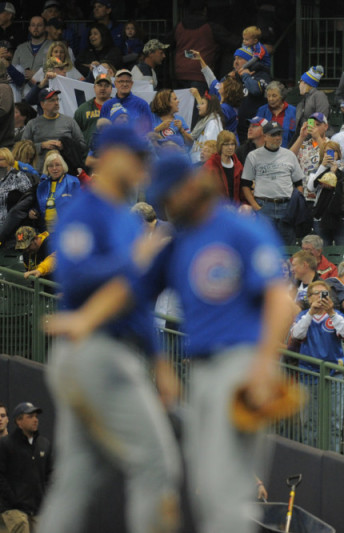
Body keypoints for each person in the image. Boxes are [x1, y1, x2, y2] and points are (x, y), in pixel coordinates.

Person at [44, 149, 295, 533]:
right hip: (204, 374)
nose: (169, 203)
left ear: (193, 184)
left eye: (171, 193)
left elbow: (281, 301)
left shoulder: (240, 228)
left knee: (226, 492)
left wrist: (264, 366)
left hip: (243, 366)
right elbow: (130, 290)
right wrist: (84, 318)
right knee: (209, 490)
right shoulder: (177, 241)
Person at [35, 126, 182, 533]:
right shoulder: (83, 210)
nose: (140, 166)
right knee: (156, 463)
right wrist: (131, 261)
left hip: (110, 350)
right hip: (92, 351)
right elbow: (75, 277)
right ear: (109, 155)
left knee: (76, 479)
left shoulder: (126, 218)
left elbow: (134, 298)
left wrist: (159, 361)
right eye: (134, 156)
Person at [290, 280, 344, 451]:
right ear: (309, 298)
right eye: (316, 294)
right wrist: (311, 312)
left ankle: (333, 460)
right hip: (308, 375)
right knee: (309, 422)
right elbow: (296, 334)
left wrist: (331, 311)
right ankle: (311, 460)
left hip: (333, 375)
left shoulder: (336, 315)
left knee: (334, 421)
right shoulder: (302, 316)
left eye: (323, 294)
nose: (320, 298)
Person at [240, 120, 305, 246]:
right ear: (264, 137)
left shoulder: (289, 155)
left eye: (279, 134)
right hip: (264, 206)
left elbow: (299, 183)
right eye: (273, 135)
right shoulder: (253, 156)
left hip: (287, 208)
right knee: (265, 246)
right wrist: (255, 206)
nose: (277, 138)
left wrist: (295, 203)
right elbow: (245, 185)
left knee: (288, 247)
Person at [0, 402, 53, 533]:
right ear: (18, 421)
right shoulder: (7, 444)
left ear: (7, 419)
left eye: (36, 416)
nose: (35, 419)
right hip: (13, 509)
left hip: (35, 509)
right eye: (30, 416)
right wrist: (14, 500)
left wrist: (45, 498)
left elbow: (49, 474)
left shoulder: (43, 444)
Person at [307, 140, 344, 248]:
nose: (330, 154)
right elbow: (311, 187)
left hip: (342, 216)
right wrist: (323, 167)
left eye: (333, 151)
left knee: (343, 250)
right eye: (327, 152)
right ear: (322, 154)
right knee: (322, 252)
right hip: (321, 215)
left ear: (338, 154)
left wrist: (336, 173)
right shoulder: (317, 170)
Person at [32, 150, 79, 232]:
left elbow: (80, 206)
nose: (54, 168)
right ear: (47, 169)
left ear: (63, 166)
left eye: (57, 165)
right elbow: (39, 205)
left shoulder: (73, 182)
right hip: (46, 230)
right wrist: (33, 210)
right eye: (50, 166)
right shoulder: (42, 185)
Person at [99, 69, 154, 136]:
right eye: (121, 81)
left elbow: (149, 130)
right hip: (113, 144)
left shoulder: (142, 104)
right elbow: (101, 131)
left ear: (131, 84)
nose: (124, 84)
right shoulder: (107, 105)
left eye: (127, 81)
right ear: (115, 84)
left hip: (136, 145)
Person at [11, 17, 51, 96]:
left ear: (45, 28)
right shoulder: (21, 48)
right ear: (29, 28)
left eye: (39, 25)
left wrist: (37, 75)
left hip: (44, 94)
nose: (35, 28)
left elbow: (60, 72)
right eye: (33, 25)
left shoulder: (54, 47)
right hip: (22, 94)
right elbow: (13, 70)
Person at [73, 72, 113, 146]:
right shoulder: (83, 109)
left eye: (106, 86)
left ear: (111, 88)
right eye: (100, 85)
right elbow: (75, 134)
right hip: (90, 154)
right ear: (94, 87)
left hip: (114, 154)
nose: (103, 88)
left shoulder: (120, 107)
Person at [203, 130, 242, 205]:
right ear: (220, 146)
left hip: (235, 208)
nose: (230, 147)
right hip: (217, 209)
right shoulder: (210, 165)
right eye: (226, 144)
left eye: (232, 144)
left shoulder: (238, 164)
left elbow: (242, 191)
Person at [293, 65, 329, 143]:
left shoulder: (319, 96)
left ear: (306, 83)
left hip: (317, 140)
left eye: (300, 82)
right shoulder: (303, 100)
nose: (299, 85)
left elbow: (321, 119)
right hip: (305, 140)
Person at [256, 81, 296, 149]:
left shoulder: (293, 111)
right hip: (266, 151)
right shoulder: (262, 110)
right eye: (268, 96)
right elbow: (256, 133)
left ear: (282, 96)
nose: (270, 99)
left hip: (288, 150)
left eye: (274, 96)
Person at [187, 90, 223, 163]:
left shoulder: (213, 123)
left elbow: (211, 149)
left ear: (210, 106)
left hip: (203, 163)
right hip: (197, 162)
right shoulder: (206, 121)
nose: (198, 107)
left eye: (202, 104)